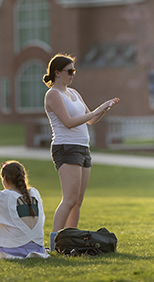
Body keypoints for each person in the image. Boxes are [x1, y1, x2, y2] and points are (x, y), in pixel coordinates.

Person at [43, 54, 119, 235]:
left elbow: (90, 120)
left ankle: (70, 239)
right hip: (66, 147)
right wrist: (96, 111)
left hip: (82, 148)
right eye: (69, 71)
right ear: (57, 72)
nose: (73, 74)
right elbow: (68, 122)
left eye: (74, 71)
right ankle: (55, 241)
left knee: (78, 200)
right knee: (69, 199)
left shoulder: (74, 93)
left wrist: (103, 109)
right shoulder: (53, 94)